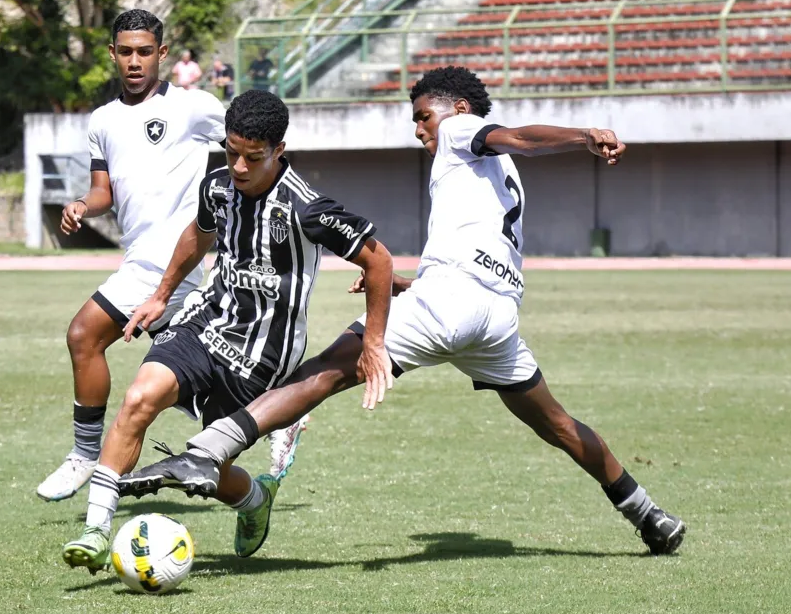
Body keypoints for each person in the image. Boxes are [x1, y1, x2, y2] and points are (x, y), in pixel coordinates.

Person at [121, 66, 688, 556]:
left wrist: (582, 135)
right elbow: (480, 243)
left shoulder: (463, 130)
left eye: (424, 116)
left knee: (327, 370)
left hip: (453, 303)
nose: (420, 129)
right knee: (559, 424)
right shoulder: (501, 176)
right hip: (495, 317)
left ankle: (208, 451)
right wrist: (409, 284)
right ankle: (647, 514)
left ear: (458, 109)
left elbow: (520, 133)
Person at [61, 90, 395, 574]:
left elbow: (378, 259)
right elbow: (197, 235)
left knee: (206, 469)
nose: (238, 166)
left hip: (263, 353)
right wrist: (160, 295)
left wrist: (375, 342)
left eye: (252, 157)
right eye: (231, 151)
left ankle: (256, 498)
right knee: (140, 397)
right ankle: (94, 530)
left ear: (279, 150)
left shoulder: (307, 209)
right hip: (206, 322)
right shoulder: (217, 185)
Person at [35, 10, 308, 505]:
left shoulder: (193, 106)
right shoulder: (103, 121)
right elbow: (104, 192)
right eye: (125, 51)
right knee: (191, 391)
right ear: (112, 54)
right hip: (140, 260)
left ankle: (83, 455)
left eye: (144, 51)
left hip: (175, 262)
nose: (134, 61)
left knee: (84, 335)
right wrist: (80, 205)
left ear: (162, 54)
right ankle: (283, 415)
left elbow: (250, 143)